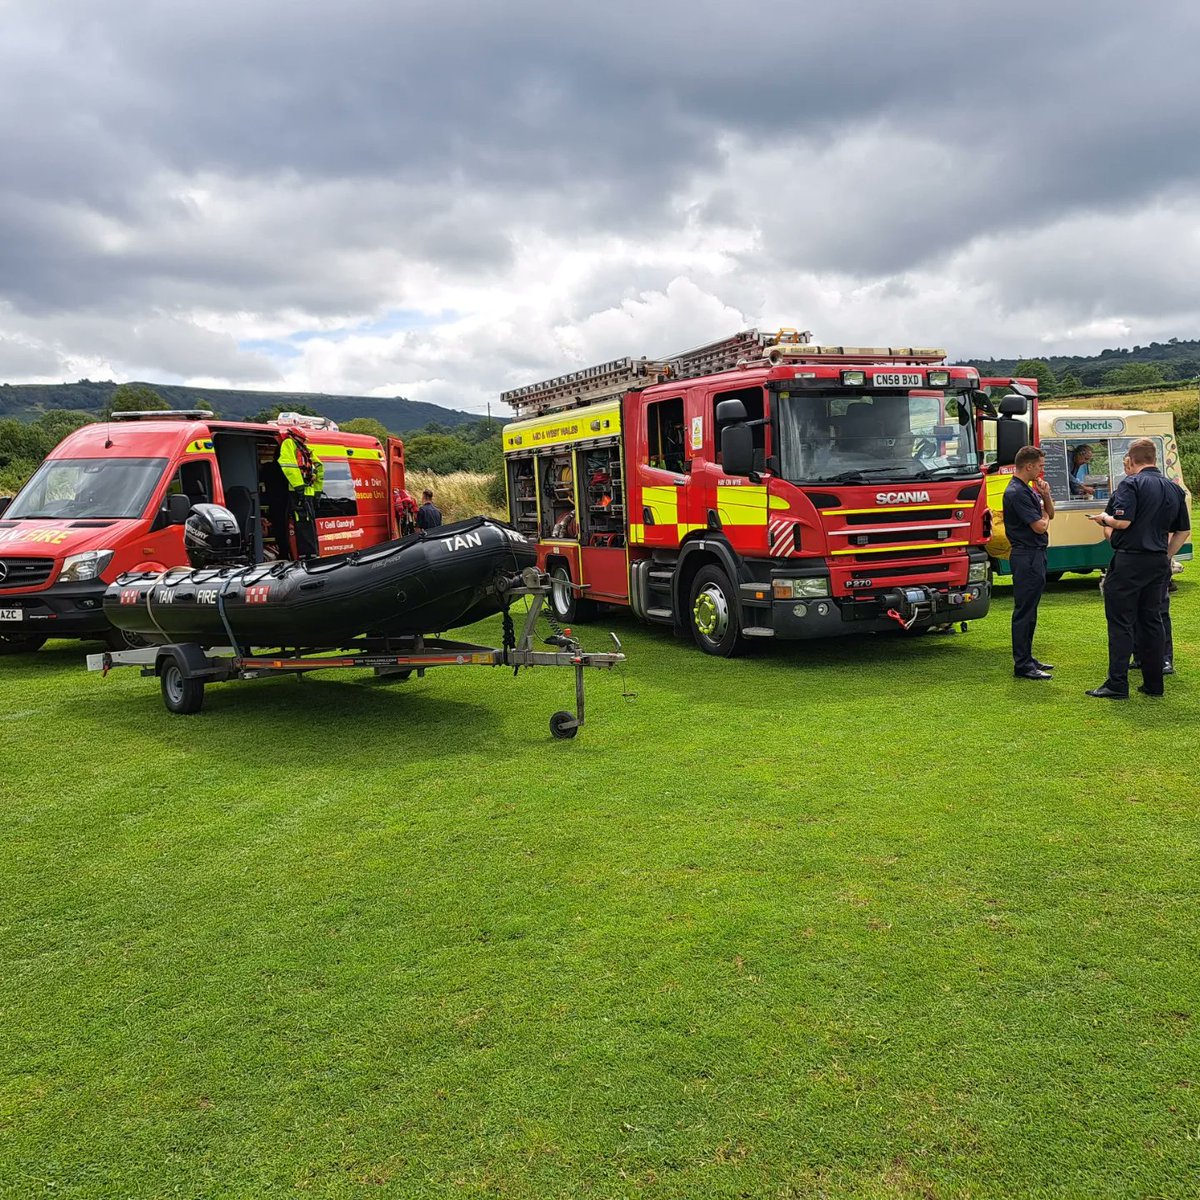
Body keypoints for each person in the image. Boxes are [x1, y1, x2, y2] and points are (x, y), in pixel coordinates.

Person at [1084, 438, 1190, 699]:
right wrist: (1166, 555)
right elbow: (1183, 531)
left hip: (1130, 561)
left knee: (1120, 622)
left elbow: (1123, 522)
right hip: (1157, 561)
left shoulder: (1131, 484)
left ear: (1131, 460)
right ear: (1154, 458)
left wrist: (1104, 519)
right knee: (1152, 621)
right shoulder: (1174, 488)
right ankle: (1154, 684)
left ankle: (1117, 684)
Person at [1002, 445, 1056, 680]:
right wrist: (1043, 514)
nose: (1041, 471)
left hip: (1035, 554)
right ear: (1029, 466)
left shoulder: (1028, 489)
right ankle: (1022, 664)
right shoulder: (1017, 492)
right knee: (1024, 611)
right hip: (1026, 555)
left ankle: (1028, 657)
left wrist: (1046, 496)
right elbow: (1040, 526)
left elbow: (1050, 514)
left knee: (1030, 610)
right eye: (1040, 467)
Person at [278, 427, 324, 559]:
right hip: (307, 491)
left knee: (303, 524)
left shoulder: (292, 445)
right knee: (307, 525)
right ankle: (310, 554)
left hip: (299, 492)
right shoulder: (305, 450)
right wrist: (317, 491)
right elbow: (319, 467)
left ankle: (307, 555)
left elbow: (289, 466)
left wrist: (299, 487)